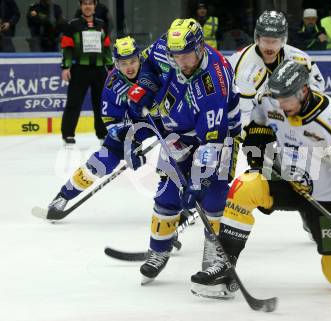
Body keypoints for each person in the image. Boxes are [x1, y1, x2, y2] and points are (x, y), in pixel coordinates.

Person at [190, 59, 331, 299]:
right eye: (278, 98)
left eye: (287, 98)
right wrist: (258, 136)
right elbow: (259, 118)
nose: (281, 104)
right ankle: (225, 265)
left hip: (324, 197)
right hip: (285, 179)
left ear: (304, 91)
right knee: (244, 188)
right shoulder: (273, 100)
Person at [125, 18, 241, 283]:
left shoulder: (214, 81)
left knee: (213, 197)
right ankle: (159, 252)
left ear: (200, 48)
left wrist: (198, 181)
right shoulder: (165, 47)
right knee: (167, 193)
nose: (182, 61)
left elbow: (211, 142)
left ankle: (215, 260)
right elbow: (146, 65)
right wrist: (145, 87)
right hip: (178, 132)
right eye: (177, 55)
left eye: (187, 55)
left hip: (218, 136)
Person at [47, 36, 150, 216]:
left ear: (139, 58)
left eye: (133, 61)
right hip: (130, 131)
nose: (130, 67)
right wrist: (128, 146)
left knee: (177, 157)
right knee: (99, 164)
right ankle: (63, 195)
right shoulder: (112, 86)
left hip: (164, 123)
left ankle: (185, 205)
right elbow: (112, 123)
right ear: (116, 64)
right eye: (124, 63)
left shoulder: (152, 71)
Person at [228, 10, 325, 127]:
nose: (269, 47)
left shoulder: (300, 58)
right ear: (257, 38)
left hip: (292, 115)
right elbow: (244, 112)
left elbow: (319, 89)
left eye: (274, 41)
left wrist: (296, 100)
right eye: (265, 41)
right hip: (257, 119)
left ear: (283, 39)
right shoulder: (243, 64)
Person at [60, 0, 112, 146]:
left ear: (95, 6)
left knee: (101, 104)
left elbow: (107, 48)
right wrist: (65, 67)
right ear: (81, 6)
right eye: (85, 3)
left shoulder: (102, 25)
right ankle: (68, 134)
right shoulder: (73, 25)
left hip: (99, 71)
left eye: (90, 3)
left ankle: (103, 133)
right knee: (73, 102)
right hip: (79, 71)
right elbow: (67, 48)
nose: (88, 6)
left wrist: (110, 67)